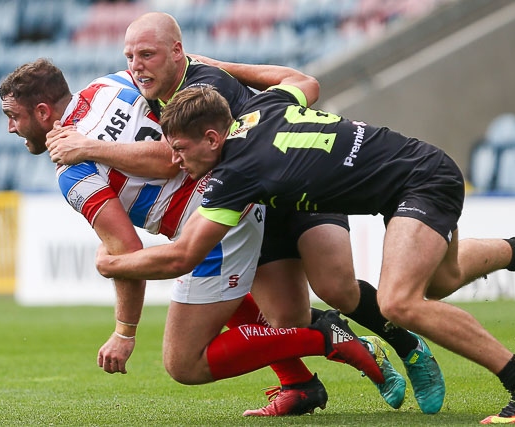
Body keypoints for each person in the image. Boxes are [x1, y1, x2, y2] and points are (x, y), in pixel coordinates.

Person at [46, 12, 445, 416]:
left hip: (300, 184)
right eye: (129, 55)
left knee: (335, 288)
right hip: (253, 202)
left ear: (177, 52)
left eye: (146, 54)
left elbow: (170, 160)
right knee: (288, 316)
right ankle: (334, 348)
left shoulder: (206, 82)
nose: (135, 65)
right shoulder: (152, 94)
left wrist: (88, 149)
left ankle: (410, 347)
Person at [94, 80, 515, 424]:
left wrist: (113, 263)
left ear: (213, 139)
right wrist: (224, 68)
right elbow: (300, 83)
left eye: (179, 149)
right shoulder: (263, 106)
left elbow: (182, 257)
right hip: (417, 170)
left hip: (419, 182)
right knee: (441, 280)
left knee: (401, 302)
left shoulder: (233, 175)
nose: (175, 162)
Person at [0, 58, 392, 416]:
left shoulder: (73, 169)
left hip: (216, 220)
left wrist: (124, 331)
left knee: (184, 362)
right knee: (223, 304)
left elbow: (126, 252)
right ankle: (299, 383)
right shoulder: (111, 85)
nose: (10, 127)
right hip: (240, 182)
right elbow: (181, 123)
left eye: (13, 116)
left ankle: (322, 335)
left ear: (43, 112)